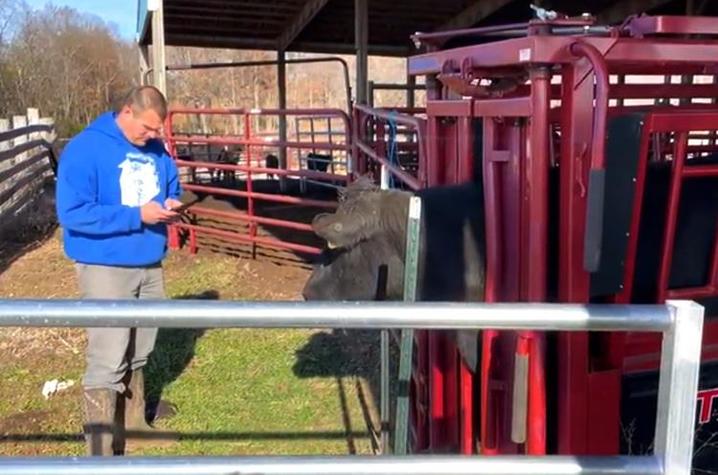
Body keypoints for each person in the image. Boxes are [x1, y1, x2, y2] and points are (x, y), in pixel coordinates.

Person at [55, 86, 182, 456]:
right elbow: (73, 214)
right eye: (148, 128)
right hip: (105, 265)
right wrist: (136, 216)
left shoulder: (156, 149)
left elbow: (172, 183)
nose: (155, 136)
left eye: (159, 130)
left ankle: (135, 422)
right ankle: (100, 449)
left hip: (148, 262)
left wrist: (173, 201)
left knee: (141, 347)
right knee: (108, 357)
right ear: (127, 112)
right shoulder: (86, 149)